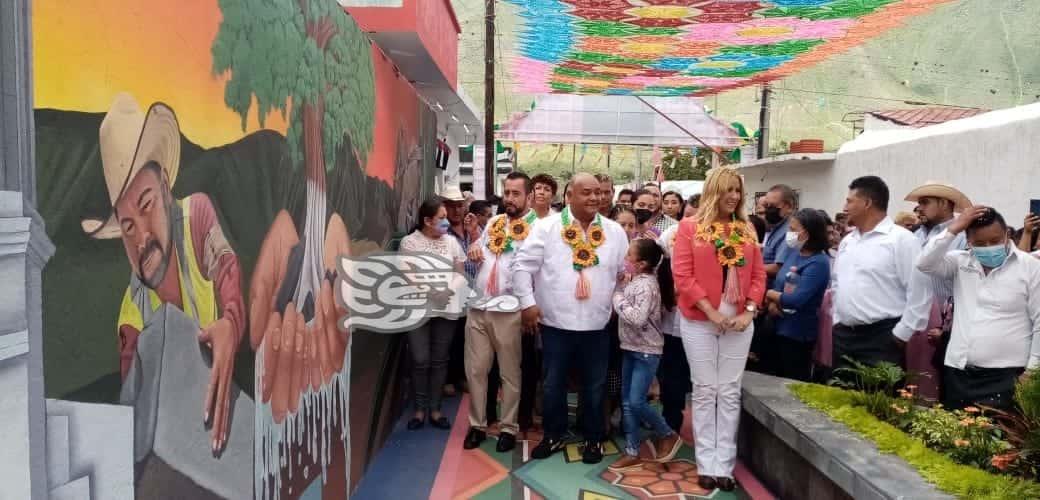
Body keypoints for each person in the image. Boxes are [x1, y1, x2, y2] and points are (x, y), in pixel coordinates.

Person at [84, 95, 247, 453]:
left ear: (166, 190)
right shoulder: (131, 314)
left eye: (146, 206)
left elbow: (227, 269)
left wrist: (230, 324)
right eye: (127, 227)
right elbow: (131, 406)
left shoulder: (196, 217)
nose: (141, 237)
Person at [513, 173, 629, 464]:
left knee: (595, 385)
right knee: (553, 384)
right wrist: (527, 304)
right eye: (586, 193)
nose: (594, 198)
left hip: (597, 325)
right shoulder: (546, 227)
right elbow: (522, 267)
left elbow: (624, 275)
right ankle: (554, 434)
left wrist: (617, 304)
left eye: (598, 193)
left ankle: (593, 437)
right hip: (555, 324)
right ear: (569, 196)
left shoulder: (615, 231)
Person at [672, 166, 766, 492]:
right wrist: (710, 311)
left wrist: (750, 312)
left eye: (738, 191)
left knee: (728, 392)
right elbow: (683, 276)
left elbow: (758, 277)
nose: (734, 196)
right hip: (700, 320)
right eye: (728, 189)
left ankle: (724, 465)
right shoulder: (689, 228)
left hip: (740, 322)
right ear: (714, 190)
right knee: (705, 389)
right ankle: (706, 463)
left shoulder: (747, 228)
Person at [917, 206, 1040, 410]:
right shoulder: (960, 262)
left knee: (995, 439)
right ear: (969, 241)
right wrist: (954, 228)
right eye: (980, 243)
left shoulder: (1031, 267)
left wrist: (1032, 371)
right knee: (953, 436)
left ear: (1006, 235)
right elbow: (924, 263)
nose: (989, 247)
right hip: (958, 372)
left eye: (995, 241)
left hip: (1008, 376)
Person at [462, 173, 536, 452]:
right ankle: (477, 425)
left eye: (516, 193)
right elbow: (478, 250)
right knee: (477, 369)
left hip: (510, 310)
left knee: (509, 372)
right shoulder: (494, 221)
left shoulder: (538, 228)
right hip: (479, 306)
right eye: (507, 192)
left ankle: (508, 427)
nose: (510, 198)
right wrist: (473, 246)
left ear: (528, 196)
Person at [832, 176, 931, 372]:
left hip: (882, 338)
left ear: (867, 203)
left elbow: (920, 292)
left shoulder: (901, 240)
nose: (844, 207)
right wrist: (837, 318)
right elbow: (837, 283)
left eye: (850, 201)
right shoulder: (848, 241)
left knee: (876, 399)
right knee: (839, 398)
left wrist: (901, 334)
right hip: (844, 337)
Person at [609, 239, 682, 471]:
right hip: (630, 347)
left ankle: (667, 433)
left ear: (641, 264)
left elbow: (638, 318)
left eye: (629, 256)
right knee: (628, 402)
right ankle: (632, 450)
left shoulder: (647, 286)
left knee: (636, 401)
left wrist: (617, 298)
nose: (625, 260)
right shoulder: (638, 282)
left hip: (646, 351)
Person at [400, 197, 468, 430]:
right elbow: (407, 274)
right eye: (442, 218)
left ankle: (436, 411)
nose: (446, 223)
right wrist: (431, 292)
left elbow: (460, 272)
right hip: (418, 309)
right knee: (420, 360)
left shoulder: (451, 243)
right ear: (427, 221)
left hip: (446, 307)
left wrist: (447, 290)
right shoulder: (410, 243)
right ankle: (419, 410)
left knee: (440, 361)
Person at [764, 209, 832, 381]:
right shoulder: (795, 253)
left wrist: (770, 293)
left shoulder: (819, 262)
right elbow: (779, 282)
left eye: (793, 230)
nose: (789, 234)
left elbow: (796, 300)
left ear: (806, 233)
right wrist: (772, 302)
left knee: (792, 382)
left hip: (797, 333)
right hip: (777, 325)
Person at [442, 184, 472, 397]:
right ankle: (449, 379)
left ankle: (462, 376)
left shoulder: (474, 228)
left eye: (459, 205)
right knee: (449, 340)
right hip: (452, 295)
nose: (456, 210)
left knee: (467, 340)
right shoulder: (441, 231)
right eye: (451, 206)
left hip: (474, 295)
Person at [760, 184, 798, 280]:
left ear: (788, 206)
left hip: (775, 289)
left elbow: (779, 268)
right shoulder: (777, 227)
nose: (767, 210)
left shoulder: (790, 231)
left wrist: (752, 269)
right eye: (766, 205)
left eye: (772, 206)